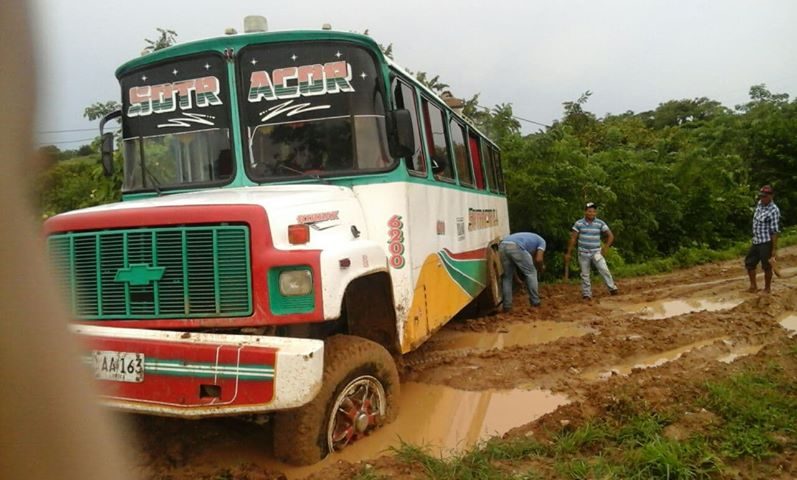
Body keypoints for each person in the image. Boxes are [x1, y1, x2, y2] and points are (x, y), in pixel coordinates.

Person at [564, 202, 619, 300]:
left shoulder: (600, 223)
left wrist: (605, 248)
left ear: (596, 213)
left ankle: (612, 288)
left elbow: (610, 236)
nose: (591, 213)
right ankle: (587, 294)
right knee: (585, 274)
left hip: (596, 252)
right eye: (589, 211)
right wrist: (568, 252)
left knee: (604, 269)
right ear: (585, 212)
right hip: (583, 252)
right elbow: (573, 238)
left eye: (593, 211)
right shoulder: (579, 223)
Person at [746, 185, 780, 293]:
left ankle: (767, 289)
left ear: (771, 196)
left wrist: (774, 248)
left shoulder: (774, 210)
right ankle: (753, 286)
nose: (762, 198)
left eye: (765, 196)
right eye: (761, 196)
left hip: (766, 241)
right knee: (749, 262)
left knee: (766, 266)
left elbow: (774, 231)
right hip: (756, 240)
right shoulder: (760, 204)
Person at [498, 232, 546, 311]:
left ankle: (507, 306)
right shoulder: (542, 242)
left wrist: (517, 278)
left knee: (507, 277)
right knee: (531, 273)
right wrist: (541, 267)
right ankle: (535, 302)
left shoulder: (529, 241)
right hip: (515, 246)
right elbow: (539, 259)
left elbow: (514, 265)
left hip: (502, 246)